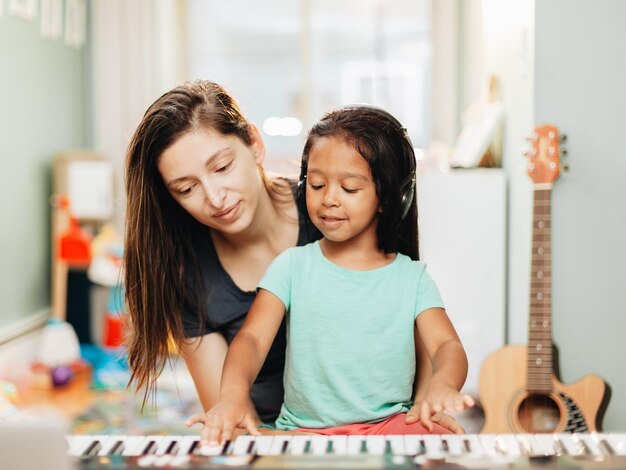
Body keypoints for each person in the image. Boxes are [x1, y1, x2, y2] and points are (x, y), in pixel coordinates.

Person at [123, 80, 463, 434]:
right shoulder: (191, 274)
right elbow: (235, 409)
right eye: (186, 188)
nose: (214, 197)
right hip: (281, 433)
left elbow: (422, 333)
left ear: (254, 143)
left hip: (385, 422)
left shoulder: (334, 213)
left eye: (222, 167)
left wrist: (428, 405)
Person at [197, 104, 475, 446]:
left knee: (442, 438)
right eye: (316, 185)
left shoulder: (412, 278)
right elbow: (251, 341)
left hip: (386, 426)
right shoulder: (291, 266)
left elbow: (447, 345)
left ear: (388, 197)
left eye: (350, 189)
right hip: (302, 431)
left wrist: (442, 385)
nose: (329, 199)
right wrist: (232, 396)